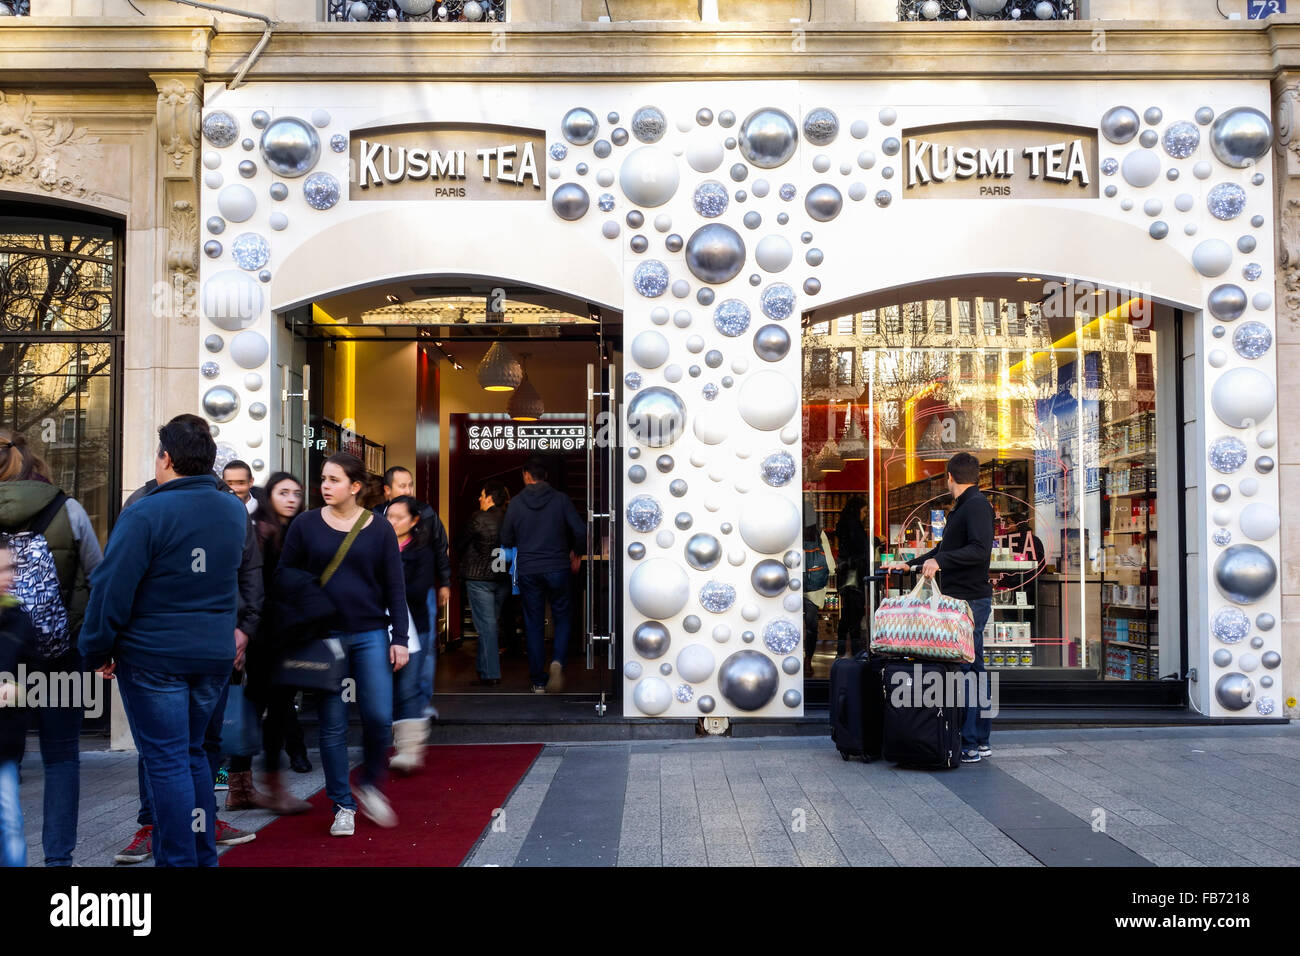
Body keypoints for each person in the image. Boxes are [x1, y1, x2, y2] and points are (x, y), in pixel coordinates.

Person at [80, 414, 247, 866]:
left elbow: (112, 588)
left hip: (155, 656)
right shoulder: (232, 509)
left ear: (166, 458)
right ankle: (199, 854)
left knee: (169, 761)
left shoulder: (146, 512)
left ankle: (179, 859)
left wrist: (97, 647)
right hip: (211, 654)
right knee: (193, 756)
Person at [113, 465, 262, 863]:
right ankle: (163, 829)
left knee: (184, 749)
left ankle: (191, 836)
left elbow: (249, 572)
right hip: (180, 649)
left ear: (168, 458)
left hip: (194, 647)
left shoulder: (225, 509)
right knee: (175, 750)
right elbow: (121, 579)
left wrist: (244, 627)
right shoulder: (144, 503)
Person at [279, 452, 407, 836]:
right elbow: (285, 576)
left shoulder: (379, 528)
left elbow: (395, 587)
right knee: (332, 725)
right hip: (324, 636)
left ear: (355, 487)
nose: (325, 486)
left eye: (334, 480)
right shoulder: (305, 525)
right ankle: (342, 805)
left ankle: (370, 784)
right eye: (323, 478)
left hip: (370, 633)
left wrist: (398, 638)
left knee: (379, 718)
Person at [0, 427, 103, 867]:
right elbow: (99, 577)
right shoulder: (70, 509)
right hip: (61, 659)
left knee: (6, 762)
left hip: (4, 659)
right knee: (61, 758)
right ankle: (58, 860)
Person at [886, 451, 995, 764]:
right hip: (962, 598)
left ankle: (973, 741)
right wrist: (910, 565)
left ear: (950, 477)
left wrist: (940, 560)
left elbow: (978, 549)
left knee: (969, 669)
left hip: (969, 600)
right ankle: (977, 739)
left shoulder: (975, 506)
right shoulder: (965, 506)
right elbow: (944, 550)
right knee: (972, 668)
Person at [499, 459, 584, 694]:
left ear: (526, 475)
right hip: (558, 566)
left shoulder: (515, 503)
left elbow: (505, 538)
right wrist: (576, 553)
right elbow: (580, 530)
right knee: (563, 616)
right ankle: (557, 662)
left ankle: (537, 681)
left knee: (533, 624)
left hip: (529, 568)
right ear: (545, 475)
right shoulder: (561, 500)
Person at [246, 474, 311, 780]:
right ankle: (240, 769)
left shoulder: (299, 530)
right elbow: (252, 584)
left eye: (296, 493)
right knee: (262, 697)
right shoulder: (259, 530)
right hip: (263, 630)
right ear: (269, 495)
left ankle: (276, 762)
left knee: (280, 696)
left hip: (289, 627)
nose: (291, 499)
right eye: (283, 493)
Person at [375, 467, 450, 712]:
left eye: (410, 485)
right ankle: (395, 702)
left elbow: (440, 547)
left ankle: (420, 699)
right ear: (387, 490)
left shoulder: (425, 513)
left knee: (424, 646)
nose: (408, 490)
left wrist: (445, 583)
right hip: (384, 603)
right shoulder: (375, 517)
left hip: (418, 594)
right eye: (402, 486)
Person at [385, 495, 434, 773]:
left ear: (414, 521)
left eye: (398, 517)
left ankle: (409, 750)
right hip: (383, 625)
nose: (392, 522)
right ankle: (393, 744)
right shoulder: (378, 546)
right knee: (387, 689)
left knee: (408, 686)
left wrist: (390, 586)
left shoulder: (421, 551)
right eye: (388, 516)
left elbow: (417, 591)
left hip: (416, 627)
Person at [0, 536, 37, 868]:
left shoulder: (19, 621)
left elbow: (36, 678)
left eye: (9, 568)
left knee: (10, 824)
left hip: (4, 747)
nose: (7, 577)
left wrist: (19, 690)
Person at [460, 481, 509, 686]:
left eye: (481, 495)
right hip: (502, 579)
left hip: (479, 578)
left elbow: (460, 542)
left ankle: (491, 673)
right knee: (490, 624)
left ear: (489, 497)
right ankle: (482, 668)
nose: (479, 498)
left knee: (486, 627)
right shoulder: (508, 519)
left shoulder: (478, 517)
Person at [801, 501, 836, 675]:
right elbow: (829, 561)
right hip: (814, 587)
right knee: (811, 626)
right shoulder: (818, 532)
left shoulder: (790, 531)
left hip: (793, 584)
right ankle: (808, 660)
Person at [833, 495, 870, 658]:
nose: (865, 515)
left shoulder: (844, 525)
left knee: (847, 613)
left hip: (845, 574)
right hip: (854, 575)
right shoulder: (854, 526)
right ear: (857, 511)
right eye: (864, 511)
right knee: (855, 613)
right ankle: (855, 649)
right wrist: (874, 541)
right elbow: (858, 549)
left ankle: (841, 649)